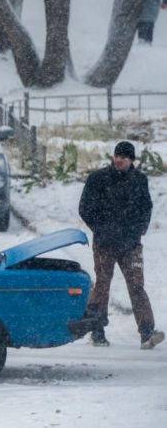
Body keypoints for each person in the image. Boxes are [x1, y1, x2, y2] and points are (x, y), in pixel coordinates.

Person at [79, 140, 164, 349]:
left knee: (136, 286)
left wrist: (137, 231)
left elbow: (146, 208)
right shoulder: (98, 179)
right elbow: (85, 207)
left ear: (131, 160)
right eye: (117, 156)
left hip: (131, 245)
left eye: (124, 157)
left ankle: (147, 332)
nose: (119, 160)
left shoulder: (139, 181)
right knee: (102, 285)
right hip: (104, 243)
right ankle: (97, 331)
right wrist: (101, 229)